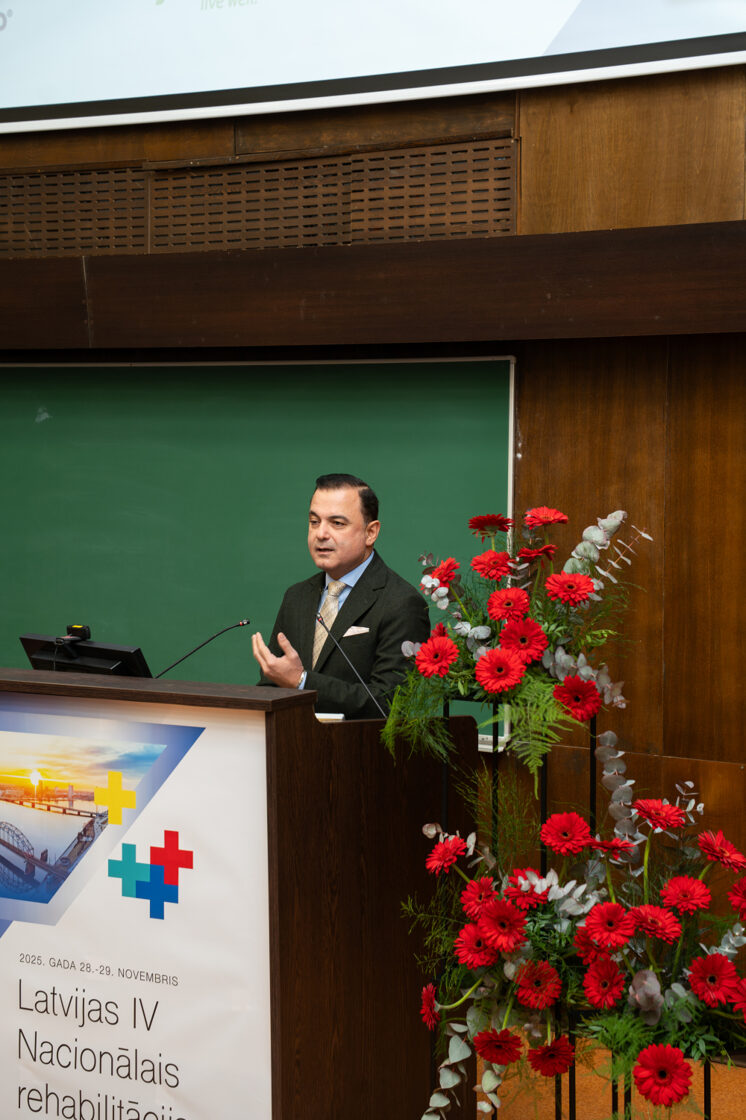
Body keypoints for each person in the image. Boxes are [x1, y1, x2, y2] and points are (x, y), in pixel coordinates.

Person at [252, 473, 430, 718]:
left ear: (371, 532)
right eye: (314, 522)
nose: (321, 534)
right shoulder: (297, 597)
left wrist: (302, 681)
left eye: (337, 523)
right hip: (291, 740)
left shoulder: (401, 603)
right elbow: (272, 685)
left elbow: (389, 703)